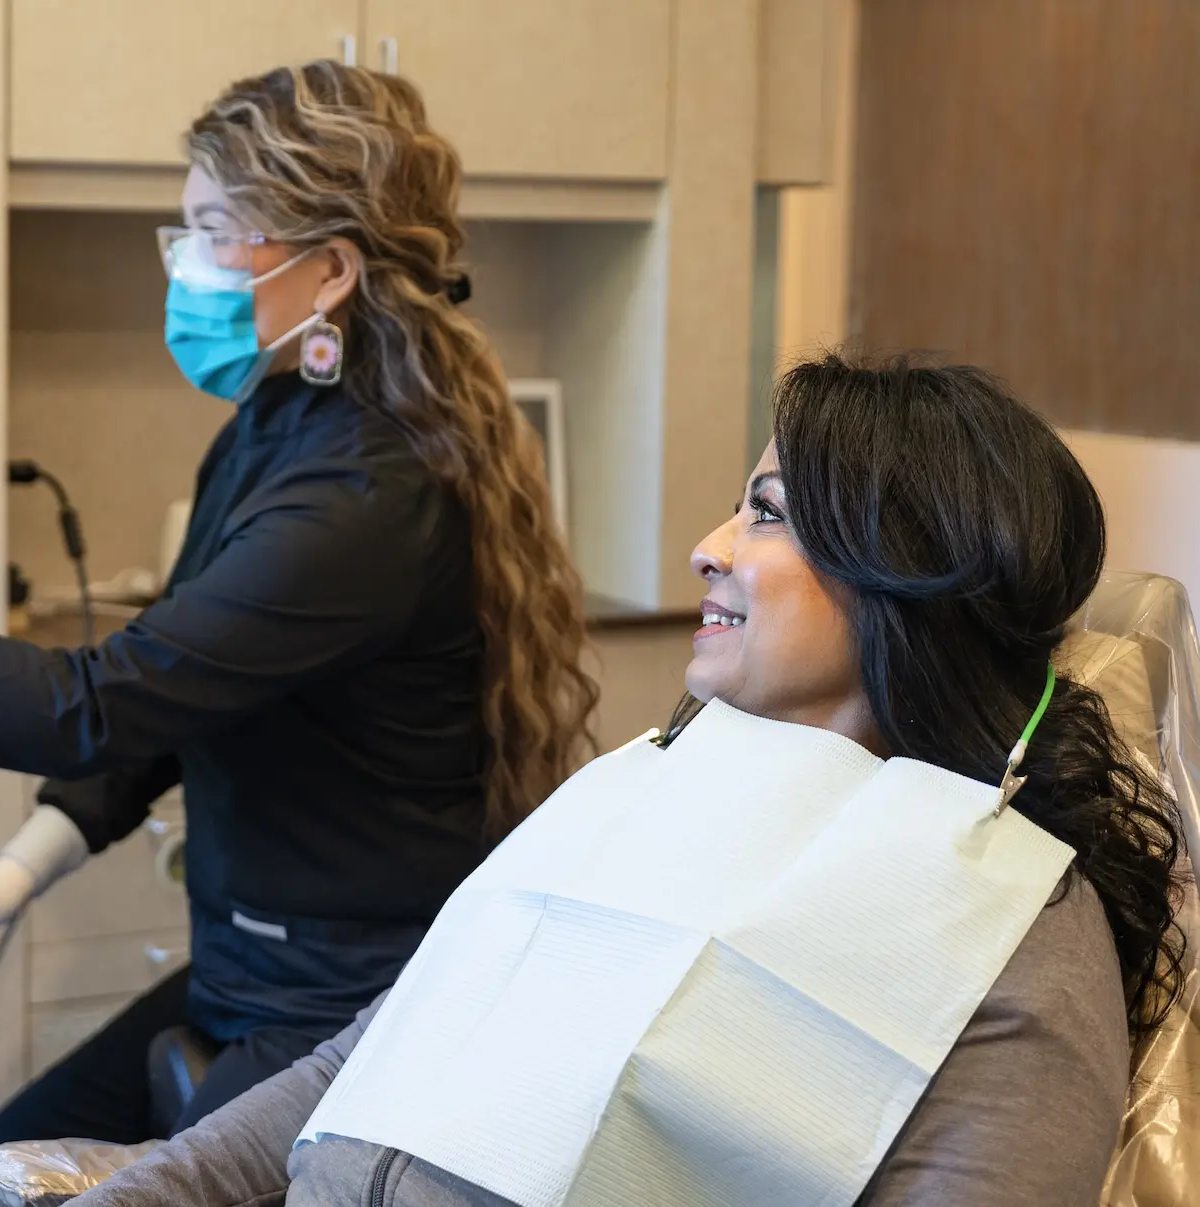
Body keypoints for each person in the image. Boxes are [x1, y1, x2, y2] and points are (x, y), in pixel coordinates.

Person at [0, 59, 600, 1150]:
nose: (183, 266)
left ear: (329, 271)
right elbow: (172, 694)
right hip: (251, 970)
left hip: (349, 1008)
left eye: (211, 232)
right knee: (11, 1154)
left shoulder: (369, 495)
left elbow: (88, 703)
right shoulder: (279, 421)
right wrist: (21, 866)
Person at [61, 356, 1187, 1207]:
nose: (708, 546)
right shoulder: (644, 787)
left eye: (768, 513)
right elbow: (362, 1065)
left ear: (903, 578)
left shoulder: (1008, 928)